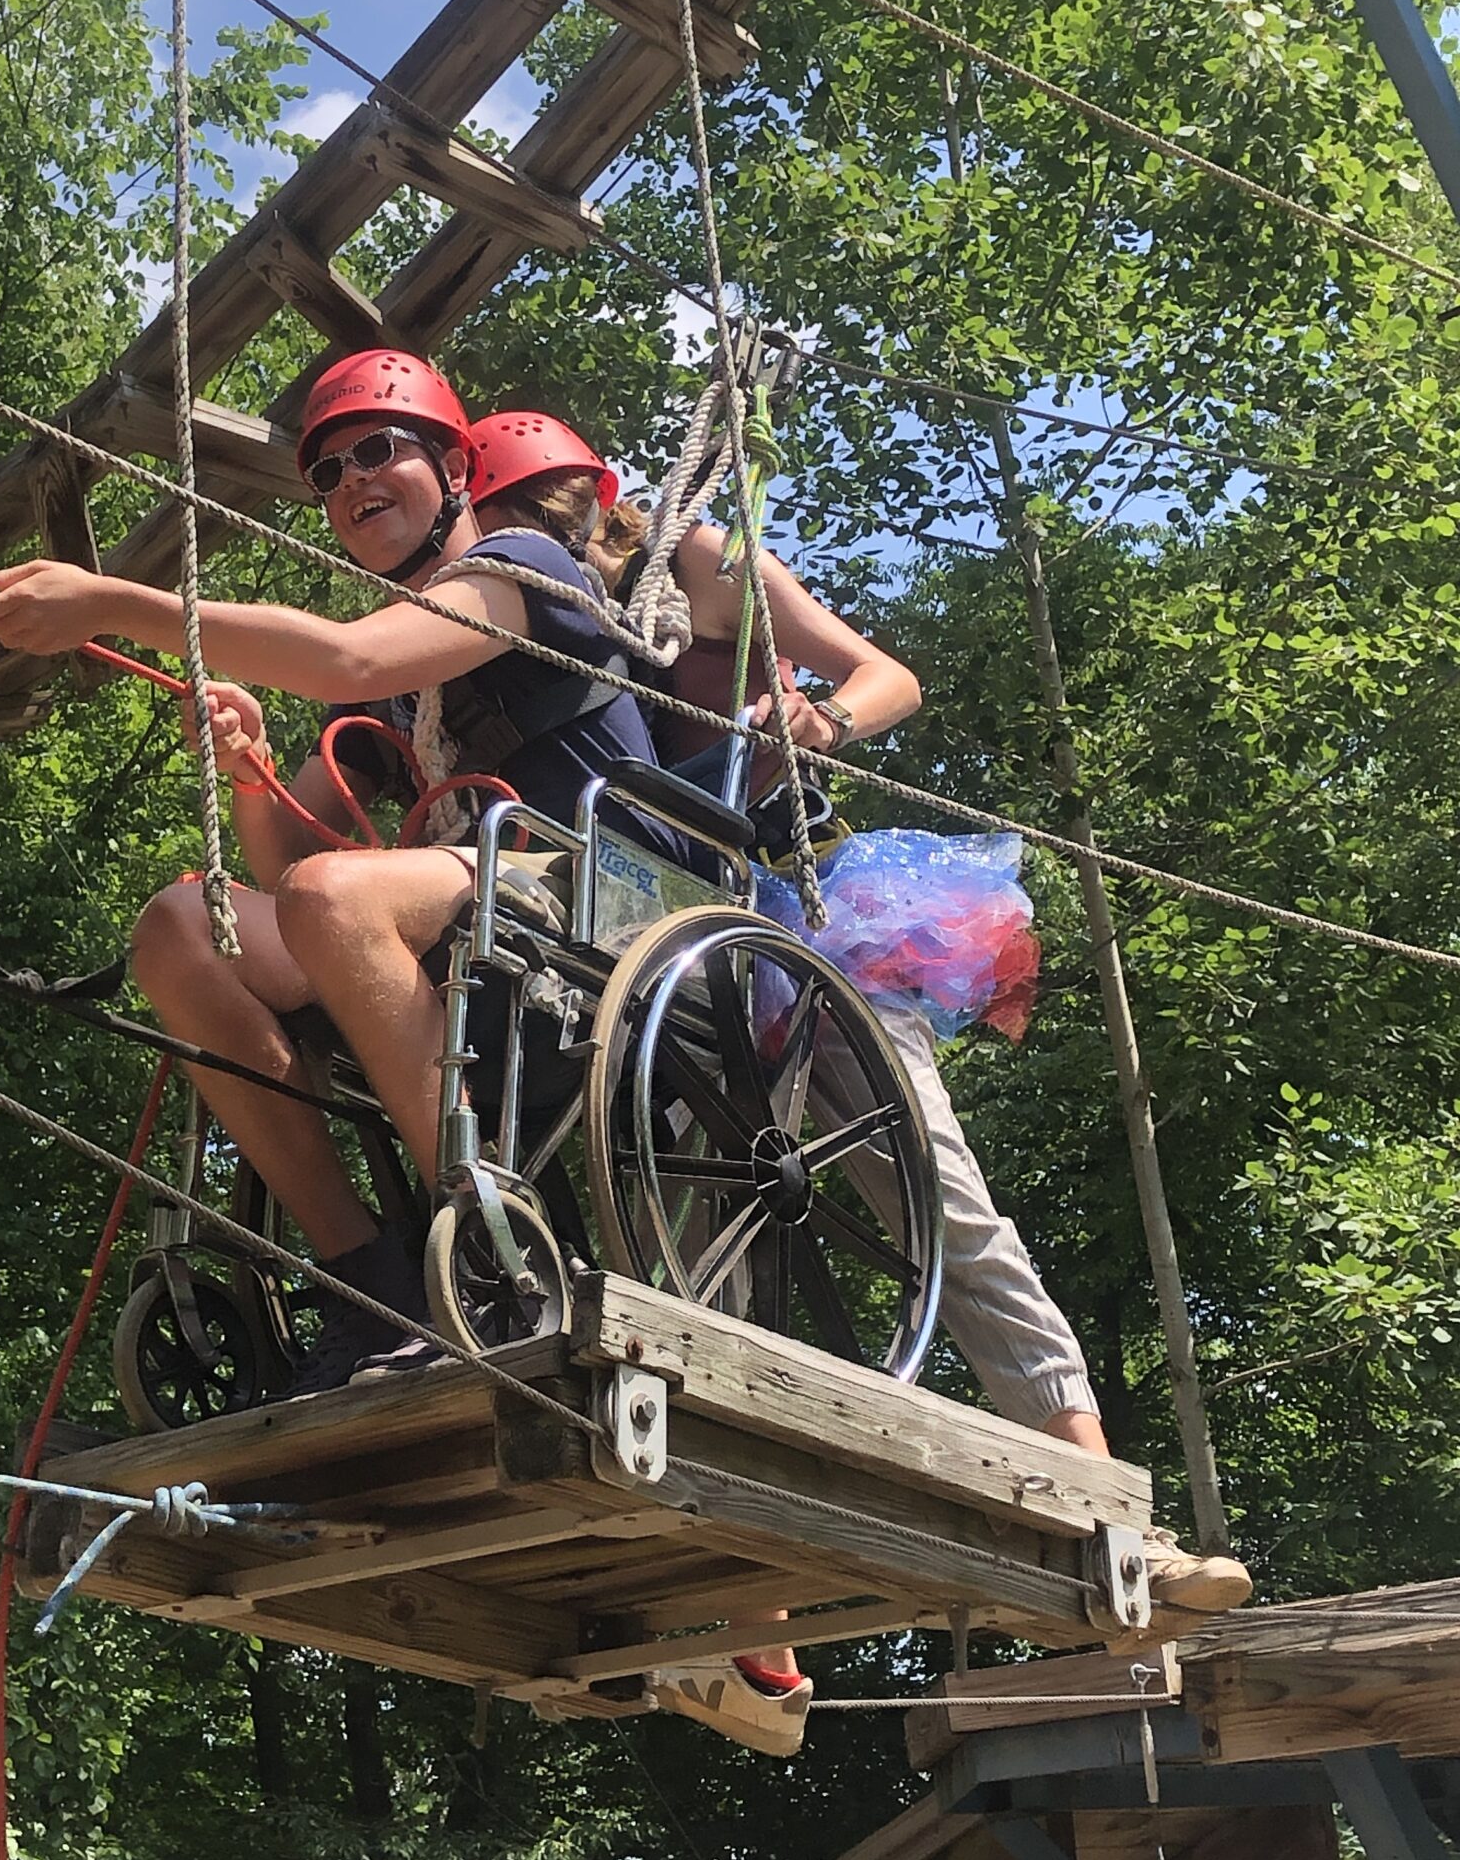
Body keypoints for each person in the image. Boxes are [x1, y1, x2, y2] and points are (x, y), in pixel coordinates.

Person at [464, 409, 1252, 1750]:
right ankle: (747, 1637)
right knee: (694, 1257)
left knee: (932, 1194)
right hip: (671, 942)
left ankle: (1112, 1504)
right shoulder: (538, 617)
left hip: (797, 917)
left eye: (554, 503)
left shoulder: (689, 564)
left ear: (596, 498)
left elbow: (884, 674)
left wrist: (811, 716)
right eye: (511, 514)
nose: (543, 529)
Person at [0, 350, 685, 1396]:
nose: (351, 481)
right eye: (329, 472)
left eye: (378, 450)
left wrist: (117, 603)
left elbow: (348, 662)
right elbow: (289, 863)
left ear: (454, 469)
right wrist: (251, 772)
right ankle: (369, 1278)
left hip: (606, 887)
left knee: (330, 899)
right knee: (180, 925)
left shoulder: (521, 569)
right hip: (486, 897)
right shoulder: (403, 694)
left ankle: (493, 1254)